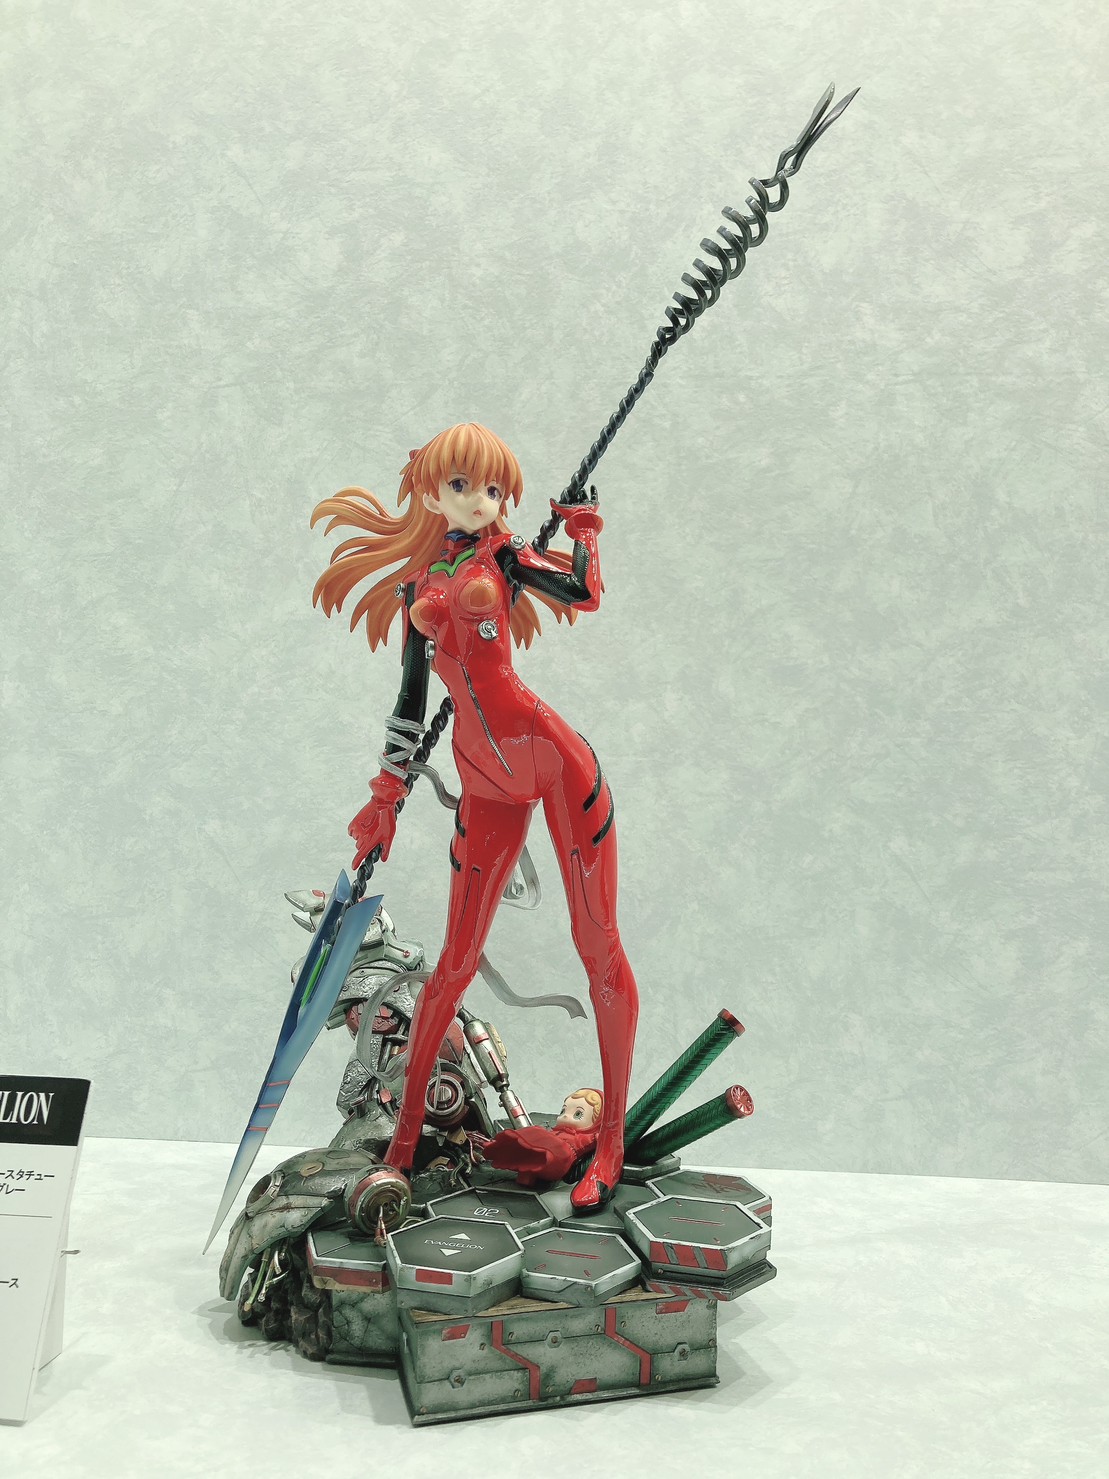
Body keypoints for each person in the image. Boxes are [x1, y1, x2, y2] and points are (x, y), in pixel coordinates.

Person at [311, 423, 639, 1212]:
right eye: (463, 486)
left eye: (493, 489)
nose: (481, 500)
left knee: (595, 942)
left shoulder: (507, 556)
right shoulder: (418, 587)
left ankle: (611, 1142)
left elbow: (582, 593)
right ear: (431, 491)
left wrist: (584, 529)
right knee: (453, 963)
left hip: (552, 758)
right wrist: (384, 798)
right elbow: (408, 704)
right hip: (482, 778)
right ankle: (402, 1143)